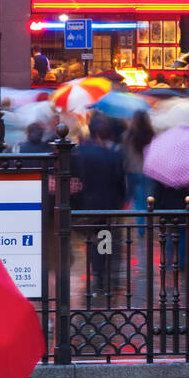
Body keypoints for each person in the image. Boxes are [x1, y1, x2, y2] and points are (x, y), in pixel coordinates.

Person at [71, 120, 126, 291]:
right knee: (104, 239)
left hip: (83, 205)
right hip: (106, 205)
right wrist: (121, 201)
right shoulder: (113, 155)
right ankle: (102, 274)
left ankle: (97, 273)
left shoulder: (77, 152)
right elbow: (120, 182)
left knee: (92, 240)